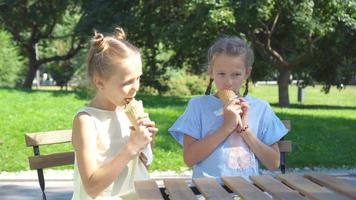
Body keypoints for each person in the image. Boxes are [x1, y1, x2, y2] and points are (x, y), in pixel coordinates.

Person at [169, 36, 288, 179]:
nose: (228, 82)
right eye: (221, 74)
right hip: (207, 190)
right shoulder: (197, 106)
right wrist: (227, 126)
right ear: (211, 72)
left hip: (247, 189)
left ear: (247, 73)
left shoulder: (261, 108)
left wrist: (245, 131)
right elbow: (189, 159)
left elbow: (273, 163)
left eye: (236, 74)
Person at [71, 27, 158, 199]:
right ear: (100, 83)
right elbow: (92, 187)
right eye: (127, 82)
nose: (135, 88)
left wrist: (146, 143)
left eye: (138, 78)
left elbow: (142, 168)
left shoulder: (126, 113)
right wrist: (132, 147)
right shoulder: (86, 121)